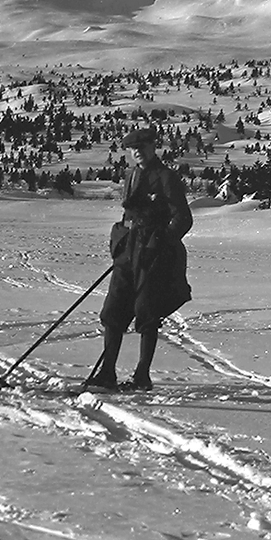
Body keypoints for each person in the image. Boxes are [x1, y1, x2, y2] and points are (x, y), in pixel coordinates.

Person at [86, 127, 192, 392]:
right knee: (113, 310)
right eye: (133, 149)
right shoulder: (130, 175)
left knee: (147, 311)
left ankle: (142, 376)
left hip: (152, 254)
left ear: (153, 146)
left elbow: (183, 218)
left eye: (142, 147)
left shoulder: (166, 176)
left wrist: (161, 241)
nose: (137, 152)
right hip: (128, 251)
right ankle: (107, 373)